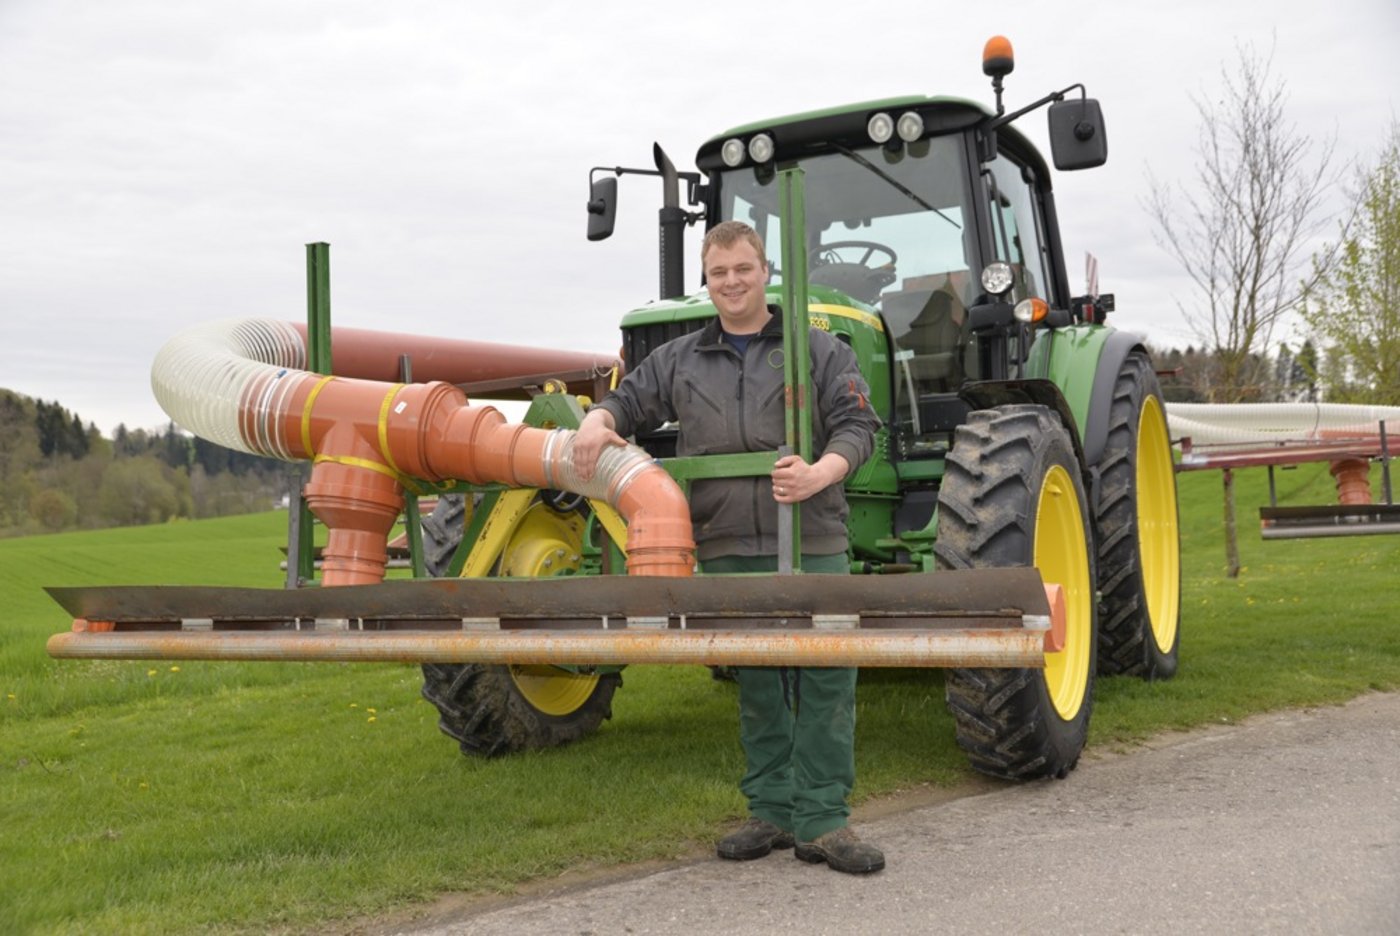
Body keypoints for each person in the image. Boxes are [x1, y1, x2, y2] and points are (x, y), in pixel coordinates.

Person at [572, 220, 885, 875]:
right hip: (726, 541)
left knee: (827, 676)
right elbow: (629, 401)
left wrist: (819, 473)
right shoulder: (682, 357)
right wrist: (598, 421)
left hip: (813, 538)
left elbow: (859, 426)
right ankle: (771, 811)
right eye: (719, 273)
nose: (732, 282)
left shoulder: (817, 350)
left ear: (763, 271)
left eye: (742, 269)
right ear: (707, 280)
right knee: (757, 680)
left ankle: (824, 821)